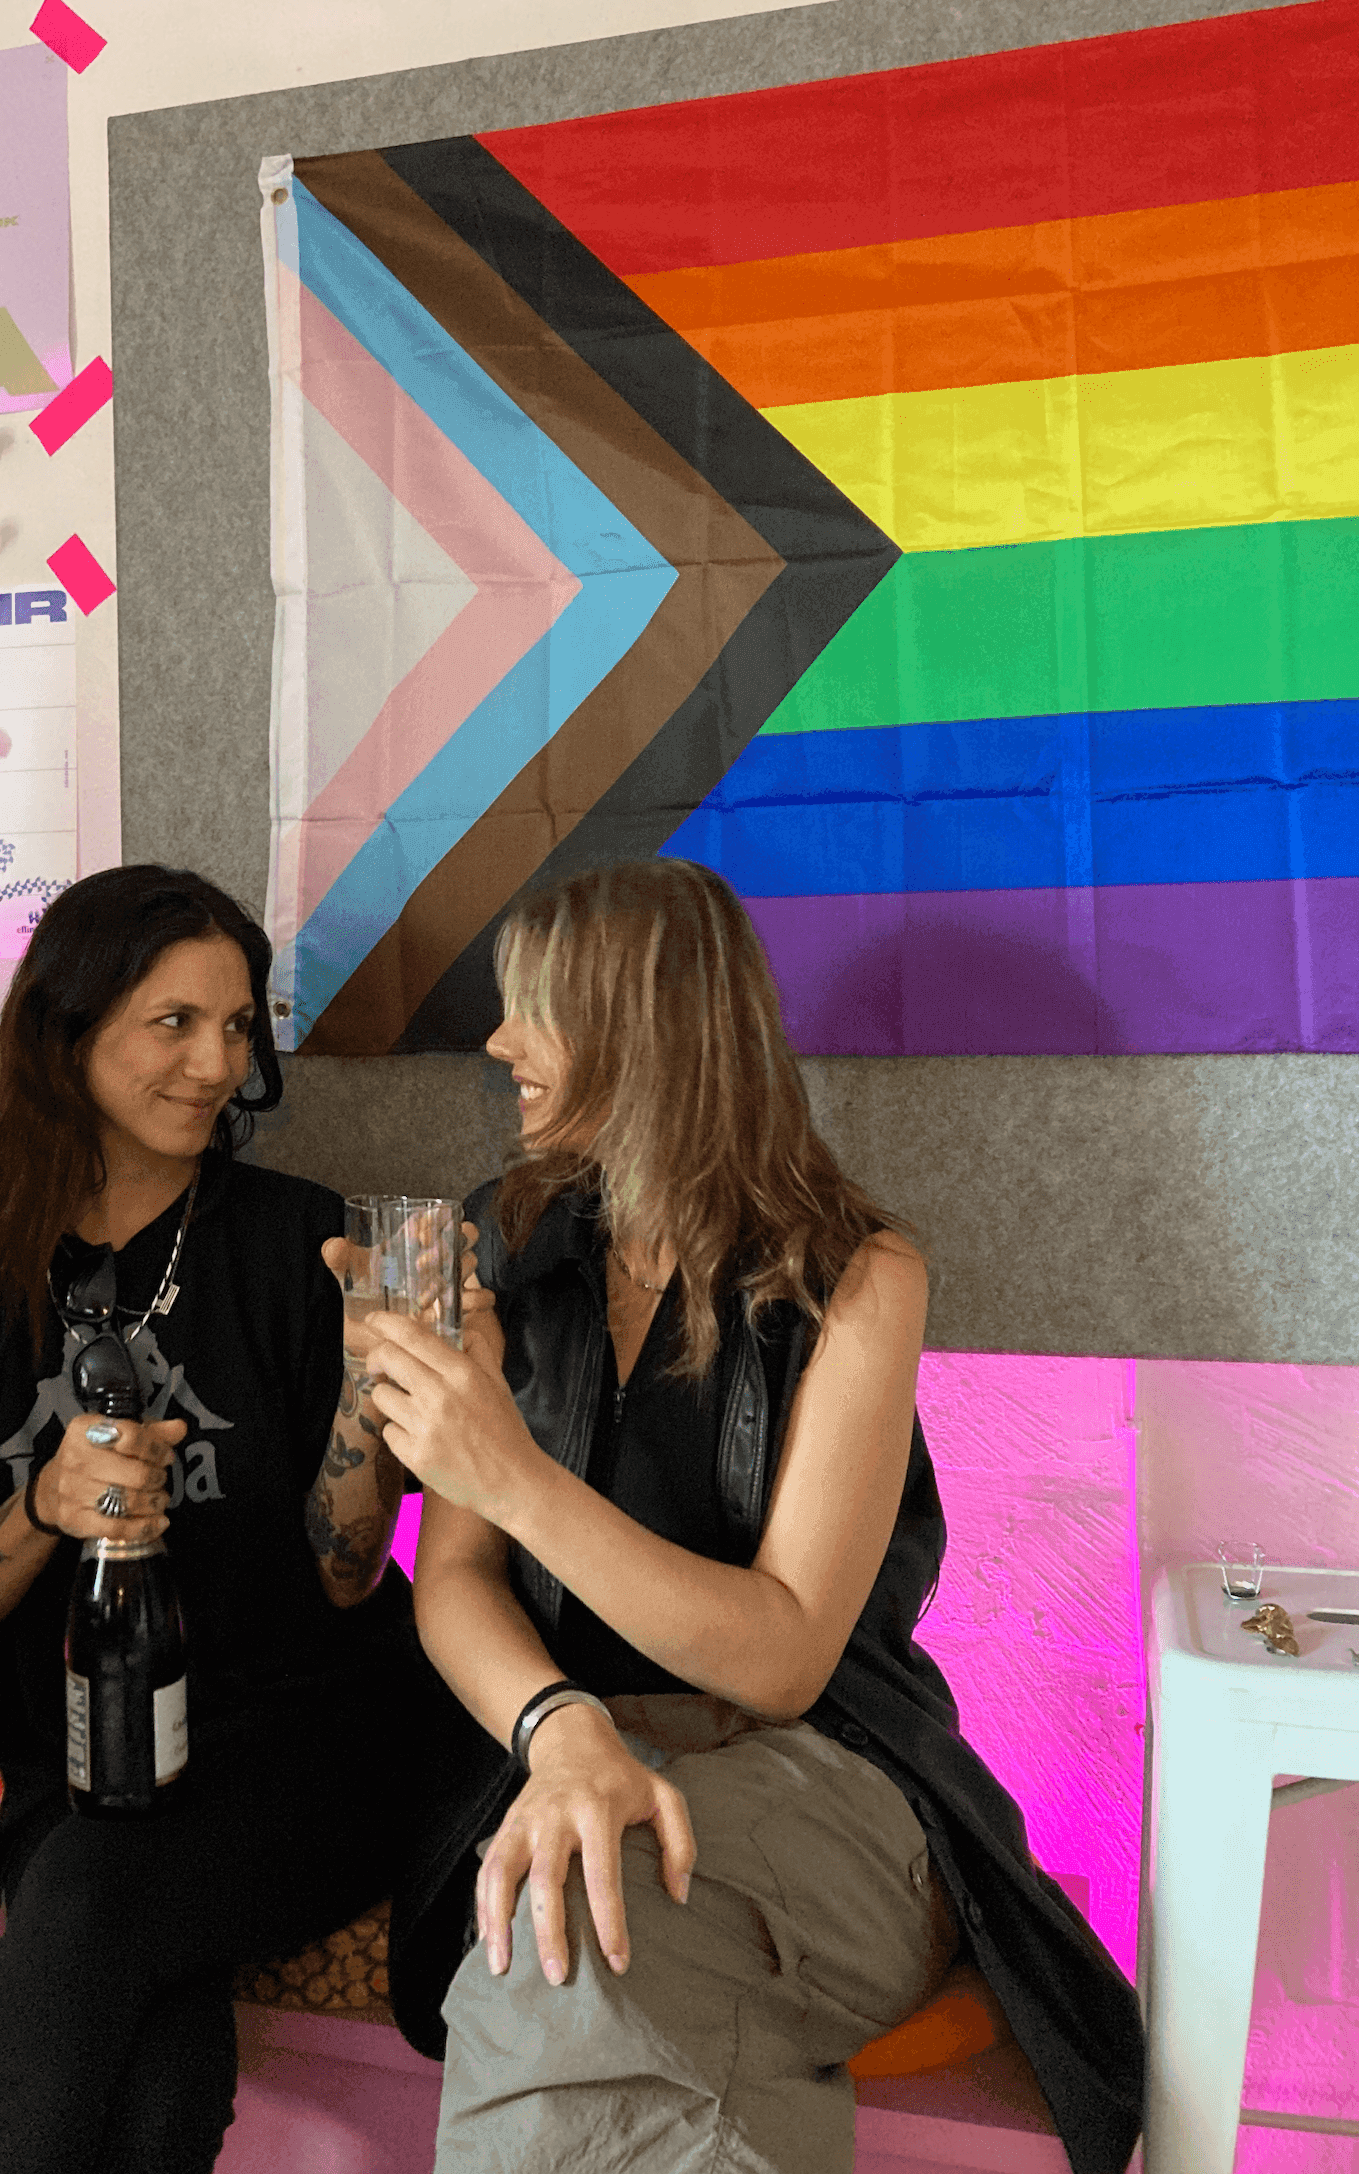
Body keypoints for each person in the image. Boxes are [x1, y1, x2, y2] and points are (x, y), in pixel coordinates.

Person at [358, 860, 1144, 2174]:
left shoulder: (861, 1275)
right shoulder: (511, 1242)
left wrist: (512, 1474)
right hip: (574, 1757)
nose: (497, 1043)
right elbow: (455, 1581)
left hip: (829, 1779)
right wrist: (561, 1730)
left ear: (643, 1024)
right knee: (567, 1931)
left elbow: (783, 1656)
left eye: (534, 1007)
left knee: (562, 1929)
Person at [0, 865, 427, 2174]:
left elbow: (347, 1578)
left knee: (93, 1896)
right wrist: (42, 1507)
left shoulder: (301, 1242)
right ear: (67, 1030)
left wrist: (366, 1400)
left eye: (238, 1025)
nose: (218, 1063)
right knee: (150, 2047)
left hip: (310, 1751)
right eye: (175, 1022)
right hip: (79, 1761)